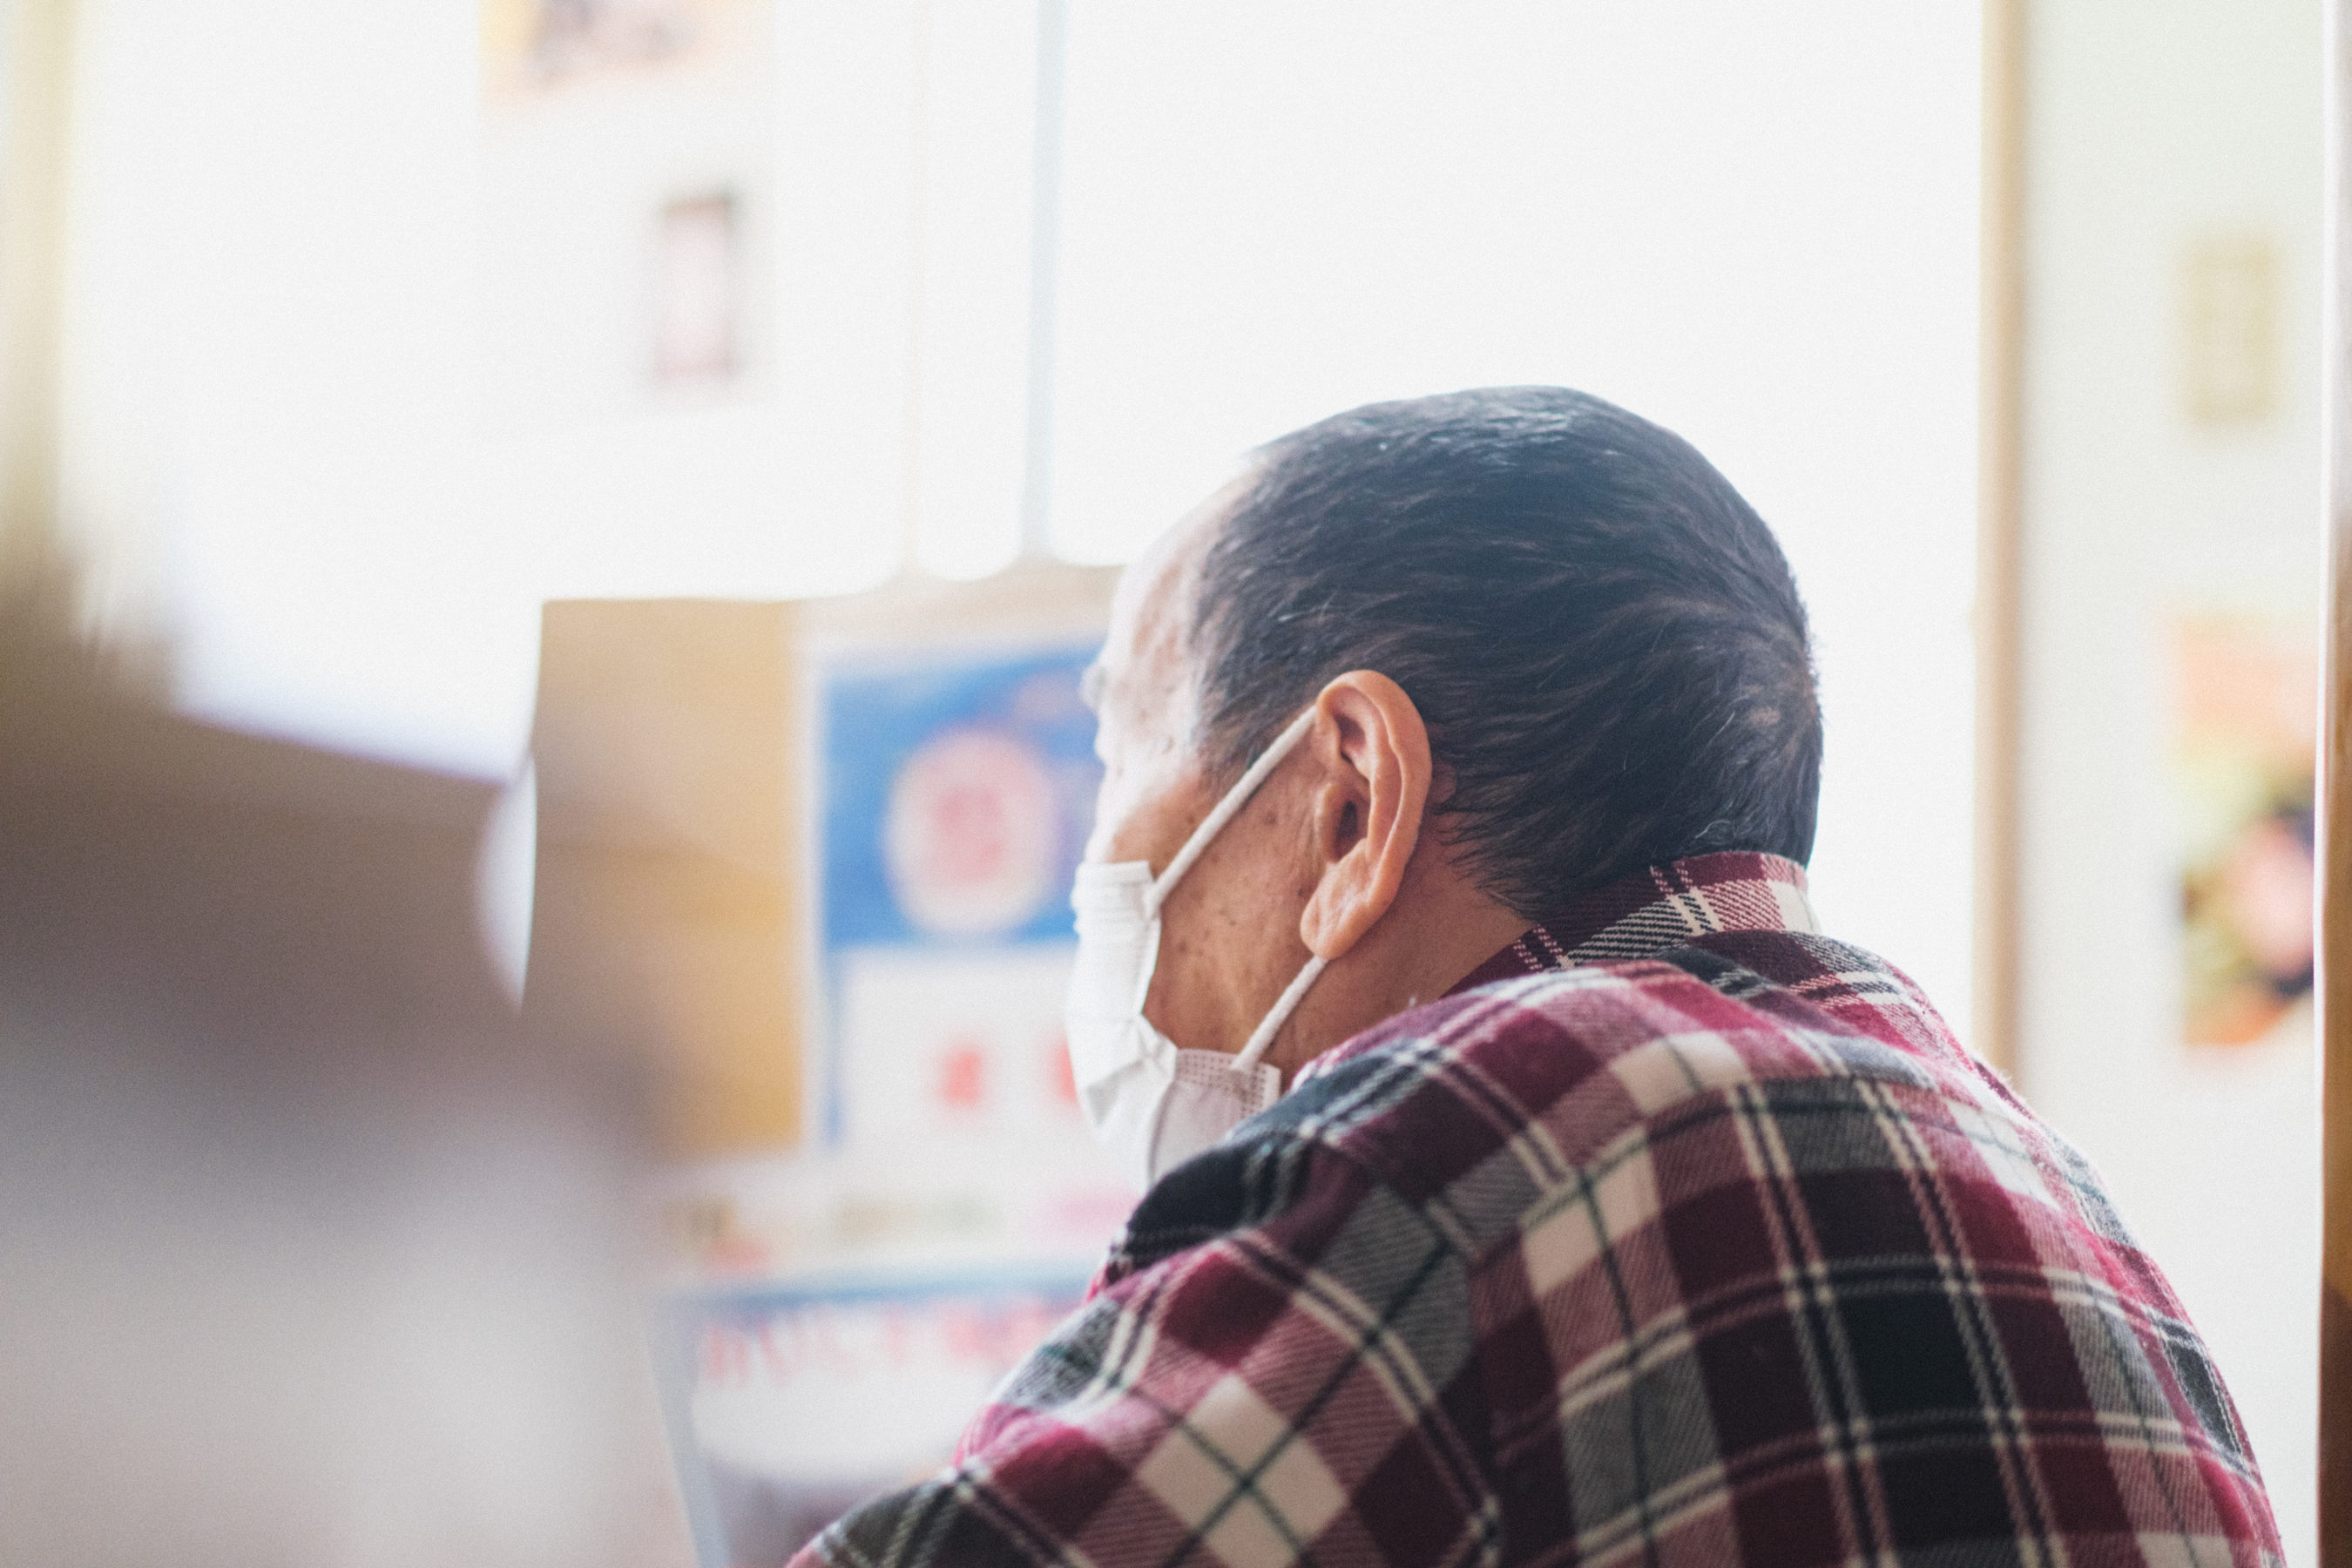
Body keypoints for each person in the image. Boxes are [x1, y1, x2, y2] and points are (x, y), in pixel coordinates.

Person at [794, 388, 2280, 1567]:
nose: (1098, 841)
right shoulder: (2047, 1180)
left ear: (1349, 806)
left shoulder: (1457, 1148)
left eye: (1120, 746)